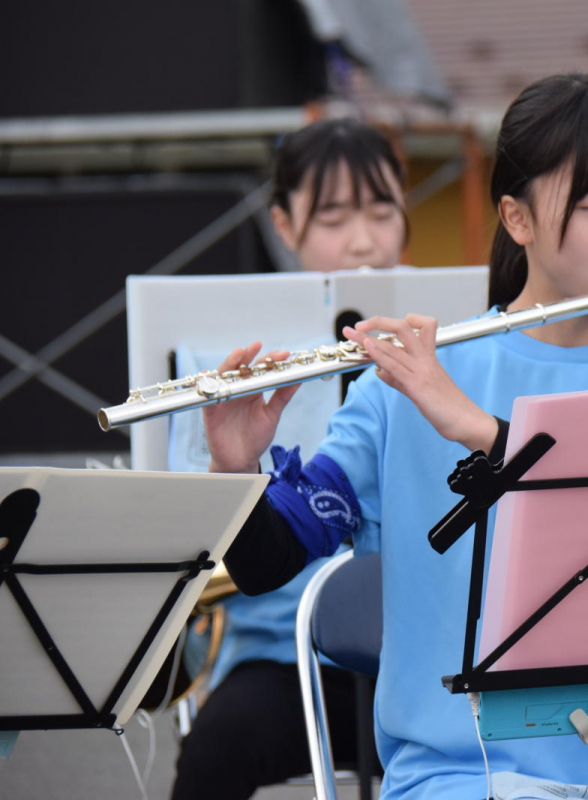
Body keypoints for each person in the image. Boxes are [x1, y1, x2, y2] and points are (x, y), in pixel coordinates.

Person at [207, 74, 588, 800]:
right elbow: (267, 563)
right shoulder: (402, 385)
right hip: (457, 775)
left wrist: (484, 433)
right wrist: (237, 466)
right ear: (517, 219)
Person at [170, 117, 405, 800]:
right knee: (215, 751)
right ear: (284, 223)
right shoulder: (237, 337)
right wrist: (232, 470)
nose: (364, 239)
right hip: (282, 652)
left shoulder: (456, 323)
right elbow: (207, 545)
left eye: (383, 210)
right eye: (333, 217)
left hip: (423, 646)